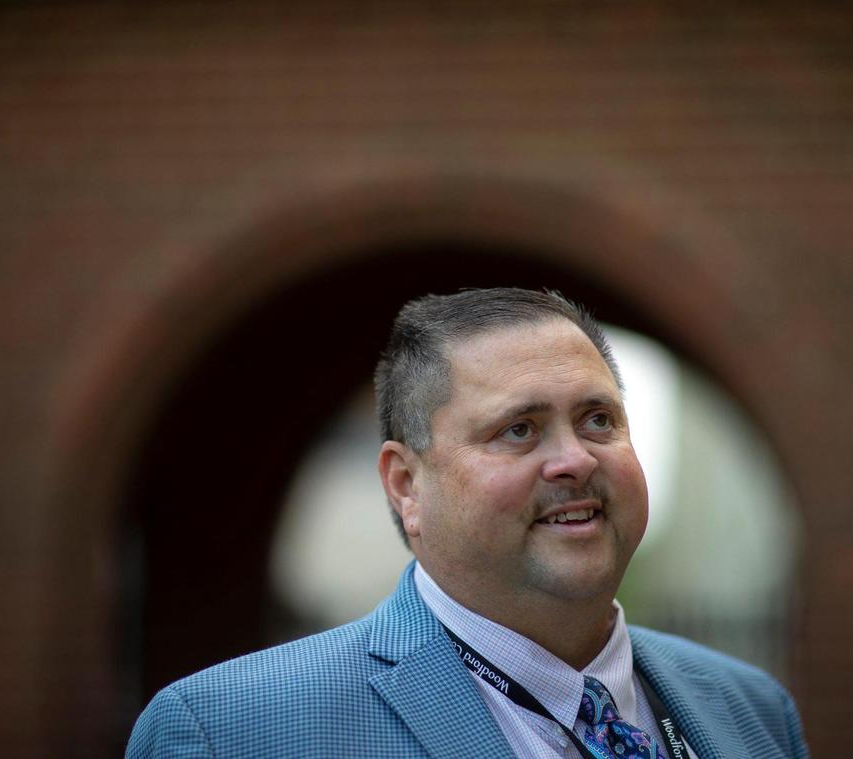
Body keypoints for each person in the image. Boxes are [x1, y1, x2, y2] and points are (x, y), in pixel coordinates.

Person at [126, 288, 809, 759]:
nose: (573, 458)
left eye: (599, 419)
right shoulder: (231, 731)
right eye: (520, 429)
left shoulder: (750, 711)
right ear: (406, 485)